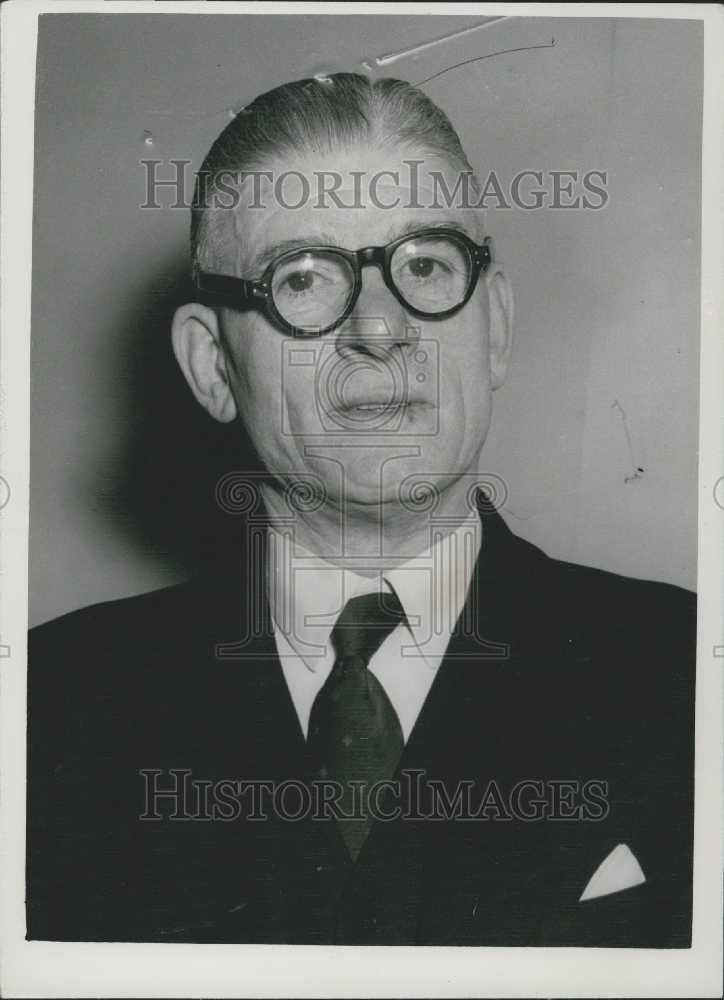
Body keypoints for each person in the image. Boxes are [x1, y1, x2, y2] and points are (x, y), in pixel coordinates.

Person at [26, 73, 695, 946]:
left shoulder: (690, 676)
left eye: (425, 265)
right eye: (303, 278)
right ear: (212, 366)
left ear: (492, 328)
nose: (379, 328)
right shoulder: (45, 705)